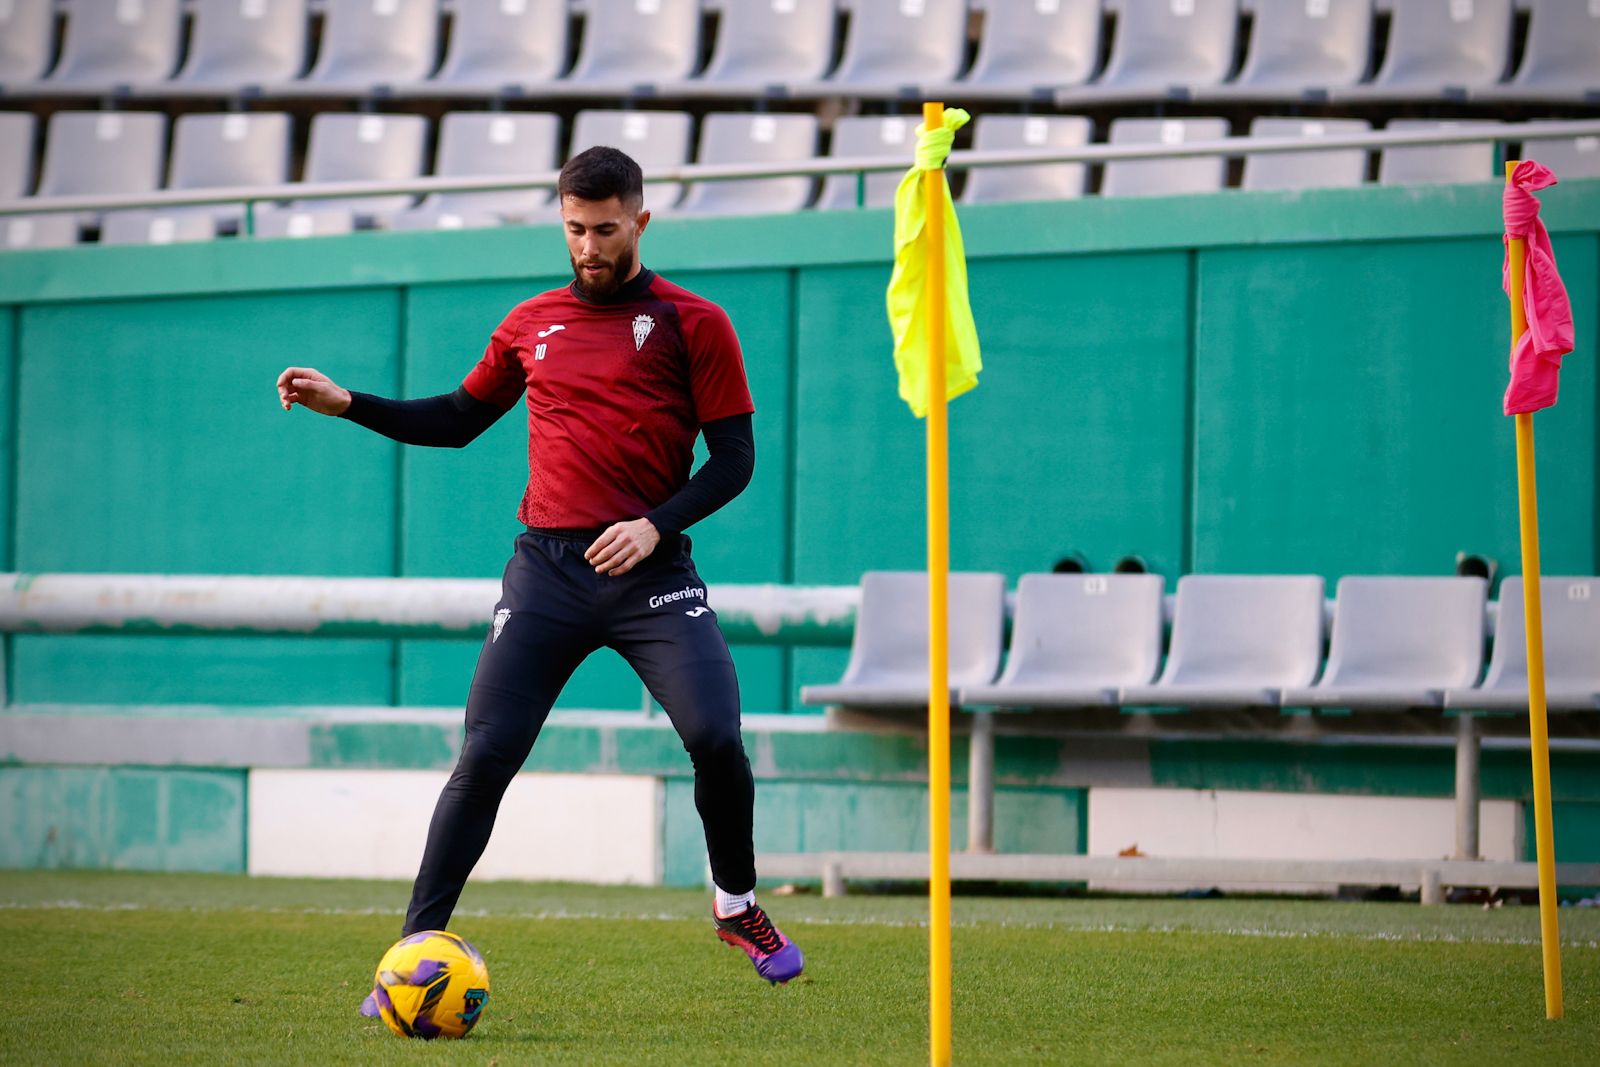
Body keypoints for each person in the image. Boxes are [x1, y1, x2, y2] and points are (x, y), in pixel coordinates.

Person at [275, 146, 803, 987]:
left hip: (652, 574)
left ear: (640, 220)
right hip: (548, 571)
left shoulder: (694, 322)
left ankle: (735, 902)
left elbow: (735, 458)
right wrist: (350, 404)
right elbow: (456, 419)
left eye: (603, 229)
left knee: (714, 735)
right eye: (573, 229)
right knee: (485, 753)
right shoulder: (530, 324)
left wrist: (654, 525)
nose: (588, 246)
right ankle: (409, 955)